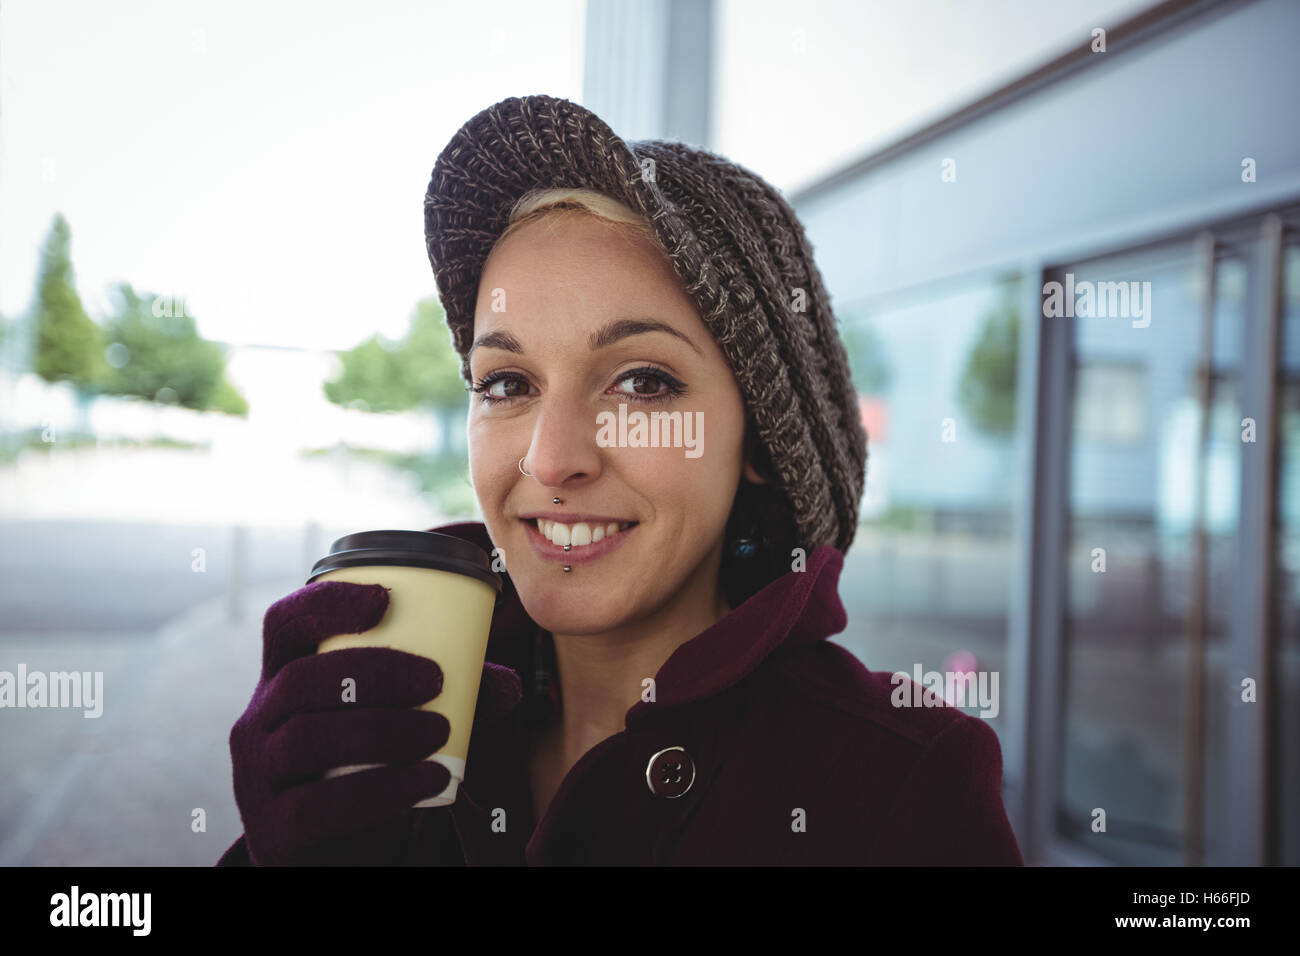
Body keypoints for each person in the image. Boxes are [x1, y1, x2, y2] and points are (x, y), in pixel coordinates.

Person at [217, 94, 1023, 866]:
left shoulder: (903, 783)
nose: (550, 457)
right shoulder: (391, 734)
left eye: (642, 382)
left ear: (760, 439)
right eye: (506, 383)